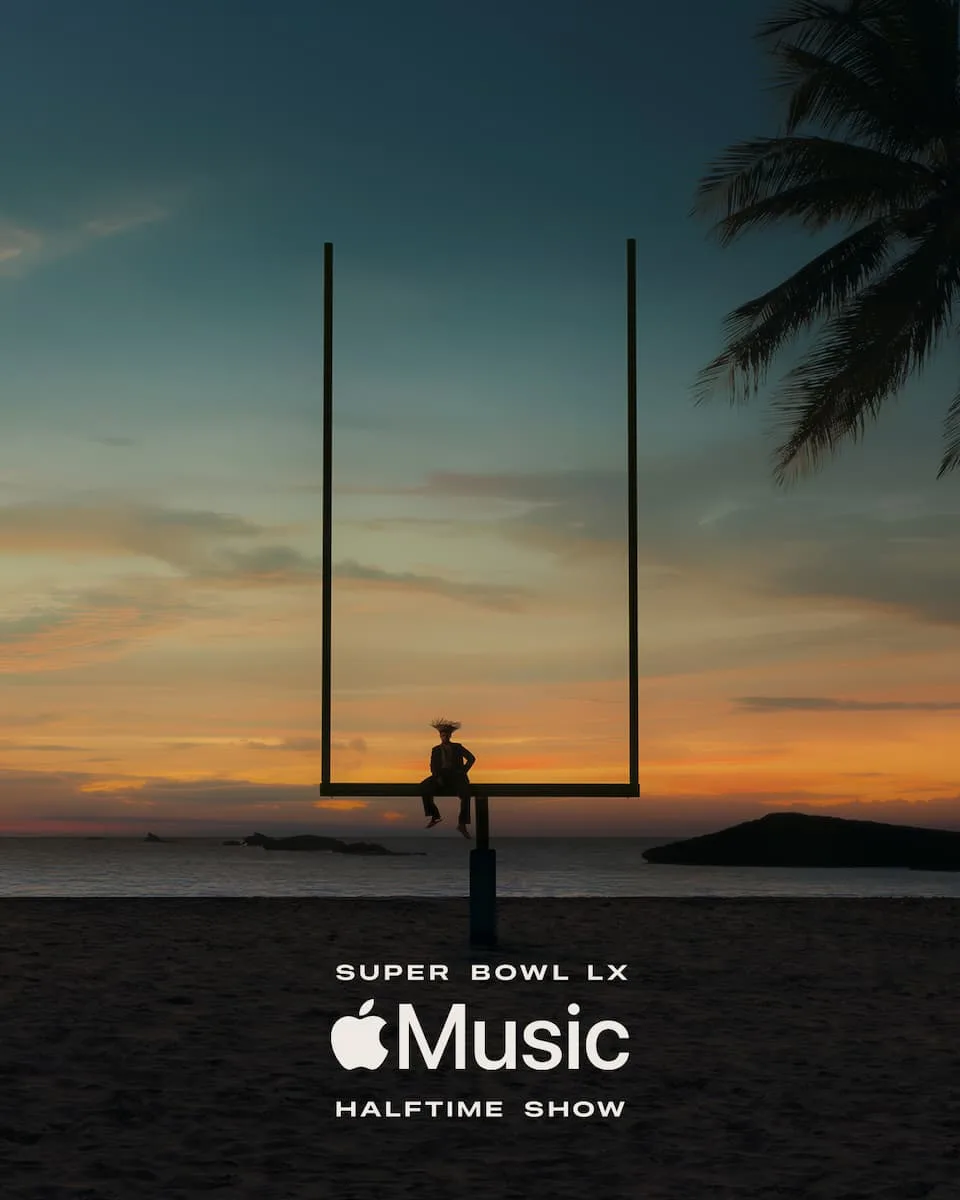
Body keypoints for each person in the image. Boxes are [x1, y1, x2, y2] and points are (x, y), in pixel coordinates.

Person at [420, 718, 475, 839]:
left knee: (465, 794)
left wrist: (463, 771)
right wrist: (437, 777)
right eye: (442, 735)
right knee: (424, 787)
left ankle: (462, 824)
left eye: (446, 735)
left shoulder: (458, 747)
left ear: (450, 736)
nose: (444, 737)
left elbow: (471, 758)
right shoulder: (436, 750)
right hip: (441, 774)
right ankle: (435, 815)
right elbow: (433, 766)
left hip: (456, 775)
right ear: (440, 736)